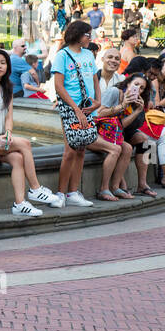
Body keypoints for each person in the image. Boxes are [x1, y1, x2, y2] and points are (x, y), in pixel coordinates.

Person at [0, 49, 56, 216]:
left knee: (17, 158)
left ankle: (19, 204)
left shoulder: (7, 88)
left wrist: (8, 133)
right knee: (26, 143)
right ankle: (35, 189)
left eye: (3, 62)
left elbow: (9, 118)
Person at [52, 20, 117, 207]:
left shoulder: (88, 54)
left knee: (81, 149)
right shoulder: (62, 55)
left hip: (88, 106)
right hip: (71, 106)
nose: (91, 38)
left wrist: (98, 101)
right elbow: (58, 86)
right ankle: (61, 193)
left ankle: (74, 192)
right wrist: (75, 109)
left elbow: (94, 78)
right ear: (78, 35)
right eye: (88, 35)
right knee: (70, 150)